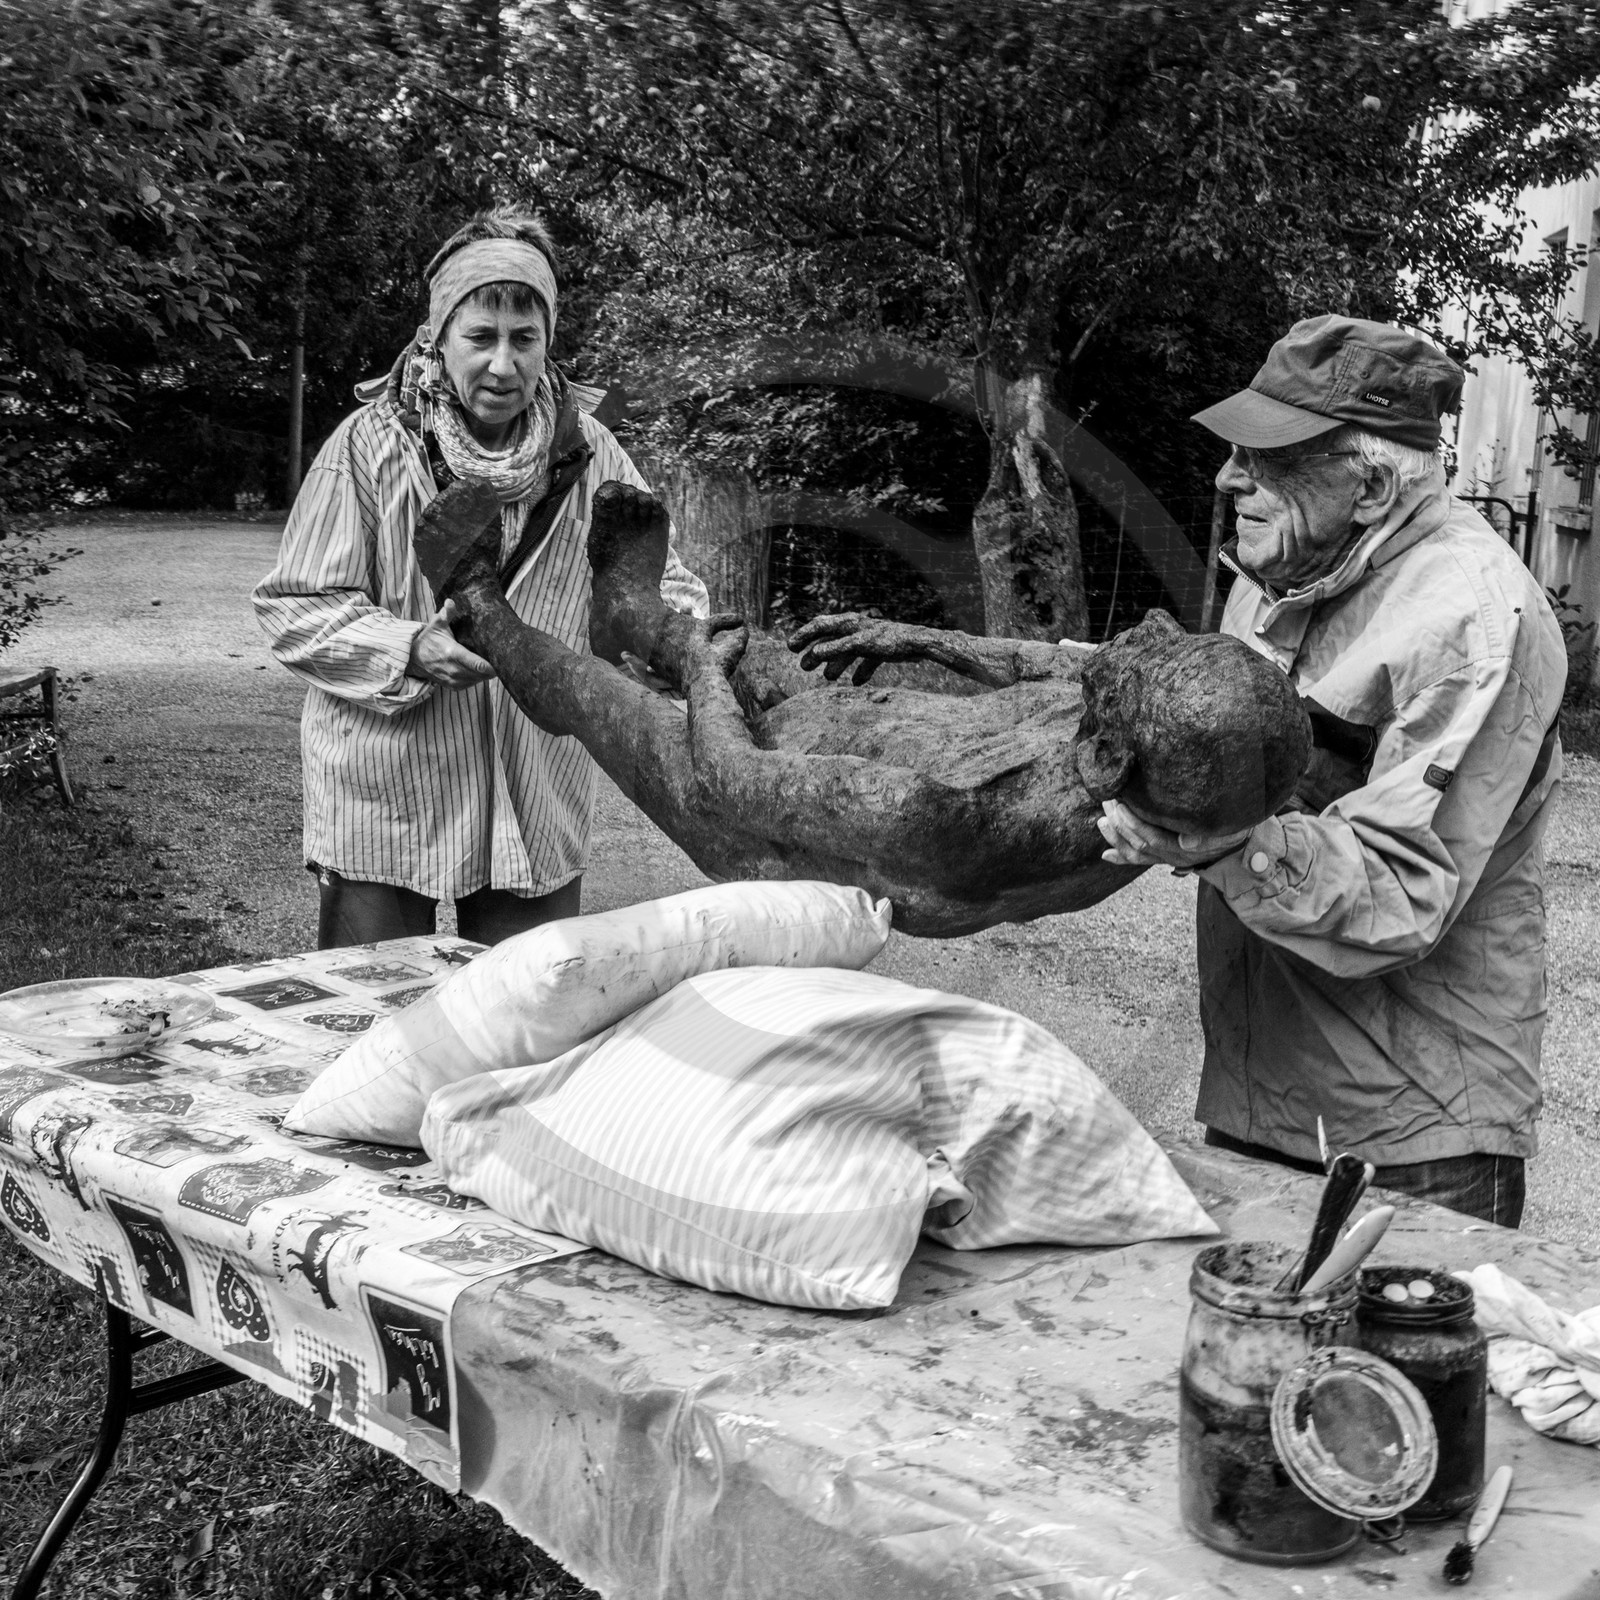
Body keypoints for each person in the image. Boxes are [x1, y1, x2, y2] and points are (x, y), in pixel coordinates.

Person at [1097, 315, 1566, 1227]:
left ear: (1371, 484)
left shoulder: (1474, 622)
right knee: (1249, 1359)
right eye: (1237, 450)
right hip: (1259, 1095)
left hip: (1412, 1139)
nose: (1230, 476)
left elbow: (1398, 889)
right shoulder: (1275, 574)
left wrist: (1209, 842)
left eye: (1269, 457)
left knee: (1378, 1374)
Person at [404, 475, 1311, 937]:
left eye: (1150, 649)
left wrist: (694, 667)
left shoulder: (950, 814)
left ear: (1110, 753)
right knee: (759, 648)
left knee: (599, 696)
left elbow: (734, 778)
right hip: (843, 741)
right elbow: (1068, 663)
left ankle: (481, 608)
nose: (1147, 624)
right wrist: (922, 639)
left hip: (754, 810)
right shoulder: (1142, 761)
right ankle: (627, 611)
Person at [253, 209, 707, 949]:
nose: (504, 365)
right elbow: (296, 605)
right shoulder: (369, 447)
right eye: (481, 337)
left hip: (535, 787)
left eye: (525, 340)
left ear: (548, 341)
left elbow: (666, 584)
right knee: (374, 1022)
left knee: (524, 1030)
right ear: (437, 337)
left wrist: (662, 646)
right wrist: (410, 650)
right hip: (388, 789)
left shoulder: (591, 452)